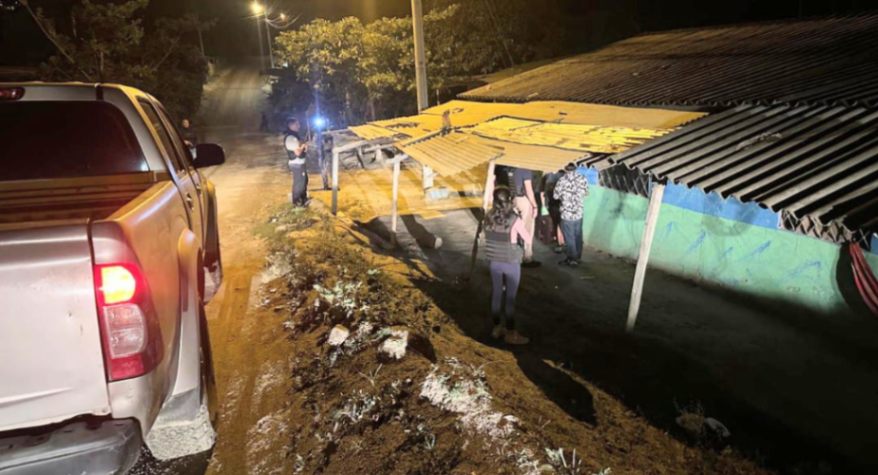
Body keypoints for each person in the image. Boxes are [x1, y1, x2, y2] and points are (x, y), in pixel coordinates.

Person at [484, 187, 531, 345]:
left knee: (497, 294)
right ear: (510, 200)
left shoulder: (488, 216)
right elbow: (527, 238)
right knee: (510, 299)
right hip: (511, 262)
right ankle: (511, 333)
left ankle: (497, 328)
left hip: (494, 262)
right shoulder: (514, 219)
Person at [553, 162, 589, 266]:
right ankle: (578, 256)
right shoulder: (582, 178)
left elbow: (555, 196)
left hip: (566, 214)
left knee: (569, 237)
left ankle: (572, 259)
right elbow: (586, 193)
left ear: (566, 169)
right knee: (578, 235)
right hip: (579, 212)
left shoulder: (562, 180)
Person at [511, 167, 541, 267]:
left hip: (513, 199)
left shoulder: (510, 169)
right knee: (527, 229)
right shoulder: (525, 170)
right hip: (523, 200)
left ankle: (515, 255)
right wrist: (535, 206)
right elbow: (529, 190)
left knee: (515, 228)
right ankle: (527, 257)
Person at [284, 118, 309, 207]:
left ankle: (303, 200)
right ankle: (297, 203)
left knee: (304, 181)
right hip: (297, 164)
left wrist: (304, 146)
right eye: (297, 124)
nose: (299, 126)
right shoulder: (290, 138)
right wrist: (303, 146)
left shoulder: (294, 136)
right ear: (291, 125)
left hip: (299, 163)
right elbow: (297, 152)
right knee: (299, 184)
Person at [542, 170, 566, 253]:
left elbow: (545, 190)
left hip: (553, 203)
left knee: (557, 223)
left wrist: (545, 204)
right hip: (562, 204)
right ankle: (561, 242)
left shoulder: (549, 175)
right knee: (561, 223)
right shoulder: (564, 175)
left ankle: (560, 243)